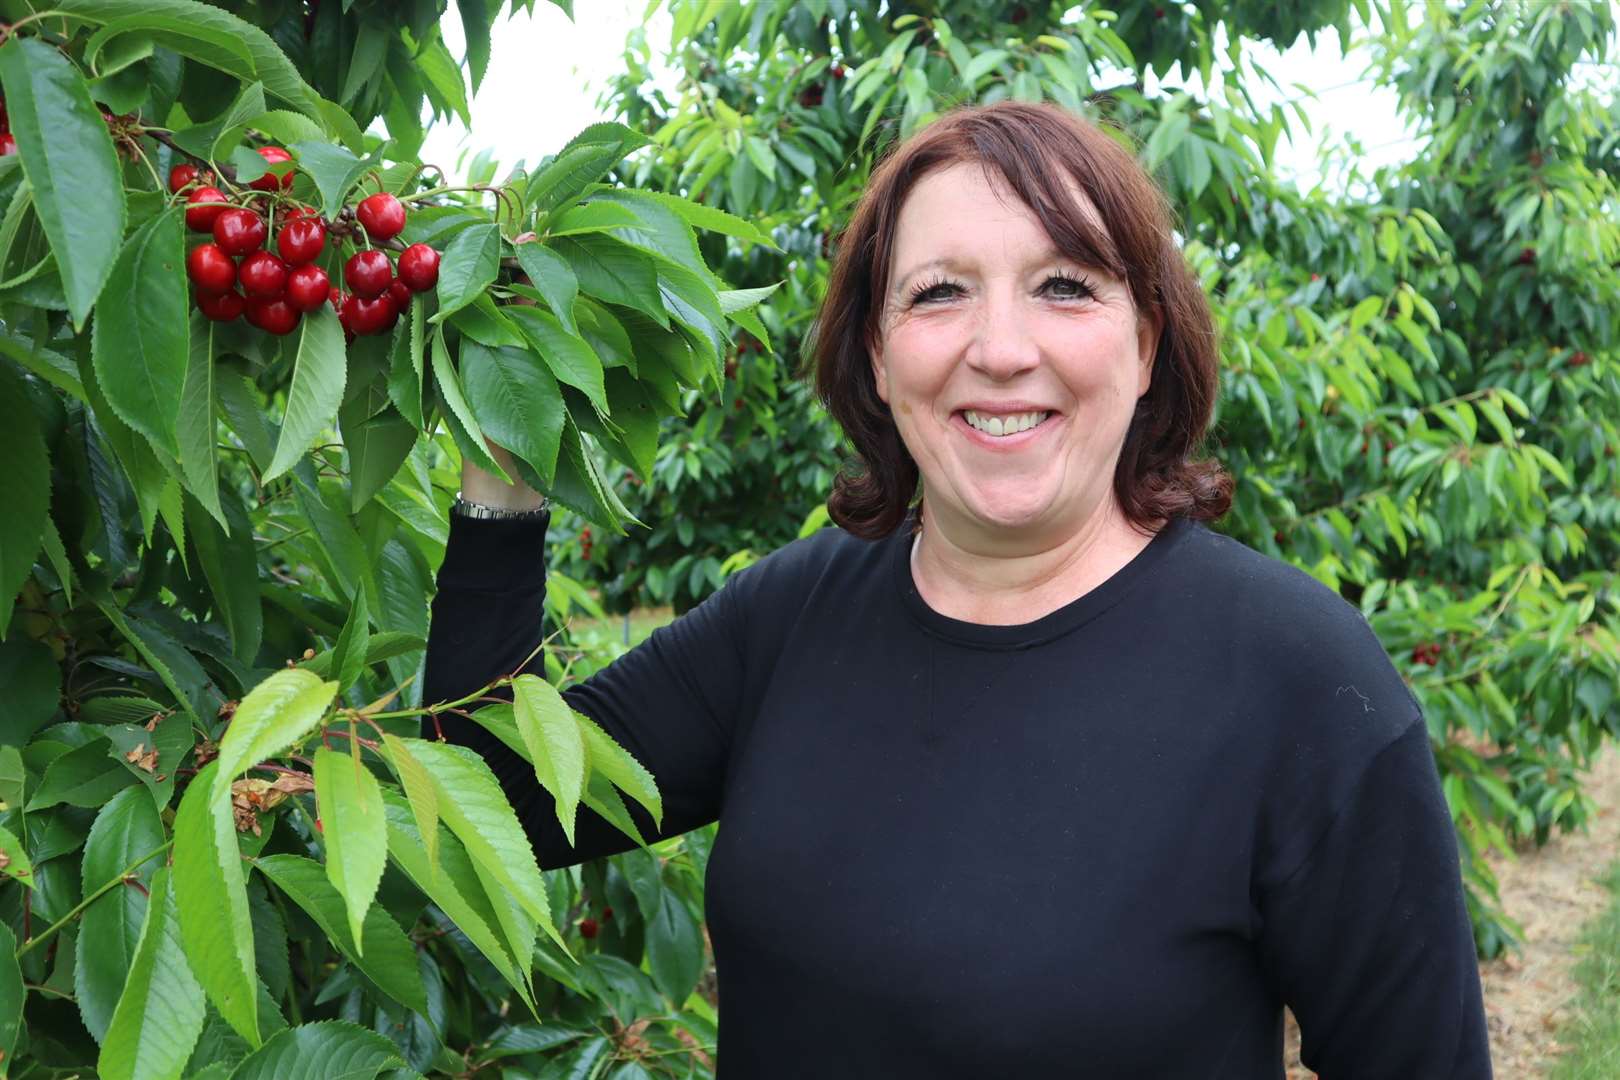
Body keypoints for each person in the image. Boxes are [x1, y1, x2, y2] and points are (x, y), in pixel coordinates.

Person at [423, 101, 1492, 1077]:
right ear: (879, 361)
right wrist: (505, 465)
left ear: (1148, 343)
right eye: (939, 294)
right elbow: (486, 800)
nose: (1001, 349)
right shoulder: (791, 617)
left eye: (1065, 286)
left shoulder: (1299, 682)